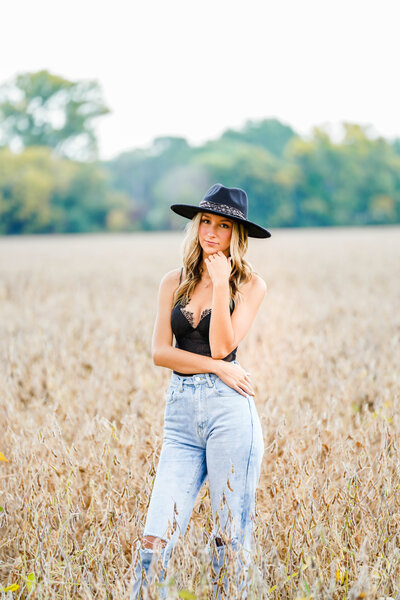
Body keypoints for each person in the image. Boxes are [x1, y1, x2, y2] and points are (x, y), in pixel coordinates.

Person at [130, 183, 271, 599]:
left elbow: (223, 346)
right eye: (204, 222)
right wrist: (214, 369)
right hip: (180, 415)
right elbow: (160, 353)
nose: (210, 232)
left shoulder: (251, 284)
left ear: (237, 235)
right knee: (154, 542)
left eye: (222, 225)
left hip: (230, 415)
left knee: (229, 541)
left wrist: (223, 282)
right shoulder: (172, 281)